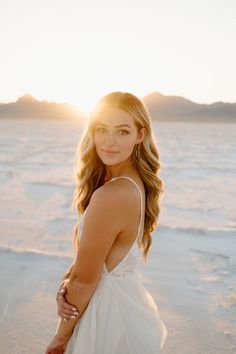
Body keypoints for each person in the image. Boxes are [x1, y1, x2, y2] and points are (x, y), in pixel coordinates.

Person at [45, 91, 168, 354]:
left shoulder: (113, 194)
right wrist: (67, 282)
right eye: (102, 129)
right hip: (126, 307)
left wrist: (60, 338)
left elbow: (85, 282)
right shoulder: (134, 182)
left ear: (140, 135)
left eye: (123, 131)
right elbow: (92, 259)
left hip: (108, 320)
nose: (109, 142)